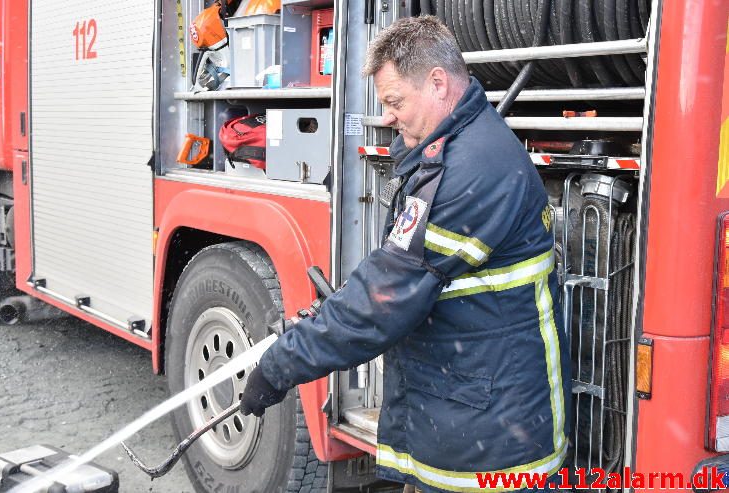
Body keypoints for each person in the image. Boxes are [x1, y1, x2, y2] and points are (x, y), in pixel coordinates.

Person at [240, 15, 571, 493]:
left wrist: (279, 365)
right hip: (473, 410)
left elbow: (386, 297)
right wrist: (332, 314)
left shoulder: (472, 170)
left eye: (395, 102)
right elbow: (397, 271)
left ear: (438, 83)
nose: (388, 117)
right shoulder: (458, 147)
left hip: (490, 444)